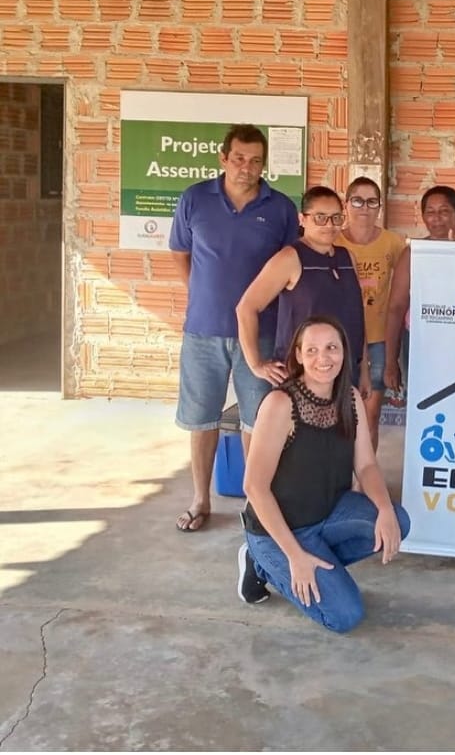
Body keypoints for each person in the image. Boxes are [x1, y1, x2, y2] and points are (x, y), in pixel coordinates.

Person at [237, 314, 410, 633]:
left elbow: (367, 465)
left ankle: (320, 568)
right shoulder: (280, 404)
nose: (323, 358)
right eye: (312, 350)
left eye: (331, 347)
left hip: (328, 517)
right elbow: (255, 487)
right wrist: (295, 556)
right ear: (298, 356)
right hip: (279, 531)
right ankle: (262, 563)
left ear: (344, 352)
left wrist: (385, 510)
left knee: (397, 522)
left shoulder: (351, 398)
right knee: (345, 616)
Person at [169, 123, 298, 533]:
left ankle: (253, 502)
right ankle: (200, 499)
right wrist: (201, 294)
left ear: (264, 165)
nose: (247, 167)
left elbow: (289, 265)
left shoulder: (279, 207)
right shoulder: (194, 199)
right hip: (203, 329)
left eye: (256, 161)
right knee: (201, 417)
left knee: (255, 421)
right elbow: (180, 253)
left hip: (261, 333)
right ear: (223, 158)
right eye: (239, 159)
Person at [236, 186, 366, 389]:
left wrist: (363, 369)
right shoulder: (290, 257)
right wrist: (256, 364)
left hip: (345, 373)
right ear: (302, 219)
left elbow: (357, 316)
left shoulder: (347, 257)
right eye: (320, 217)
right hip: (301, 375)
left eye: (336, 218)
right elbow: (246, 307)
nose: (329, 225)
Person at [335, 177, 407, 453]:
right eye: (357, 200)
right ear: (346, 205)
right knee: (336, 413)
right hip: (339, 338)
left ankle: (364, 479)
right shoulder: (334, 240)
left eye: (371, 201)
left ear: (379, 207)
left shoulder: (393, 242)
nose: (364, 208)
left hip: (378, 340)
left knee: (369, 414)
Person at [383, 185, 455, 397]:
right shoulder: (413, 254)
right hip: (420, 342)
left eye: (444, 211)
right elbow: (396, 308)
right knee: (424, 402)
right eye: (430, 211)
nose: (437, 218)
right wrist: (391, 361)